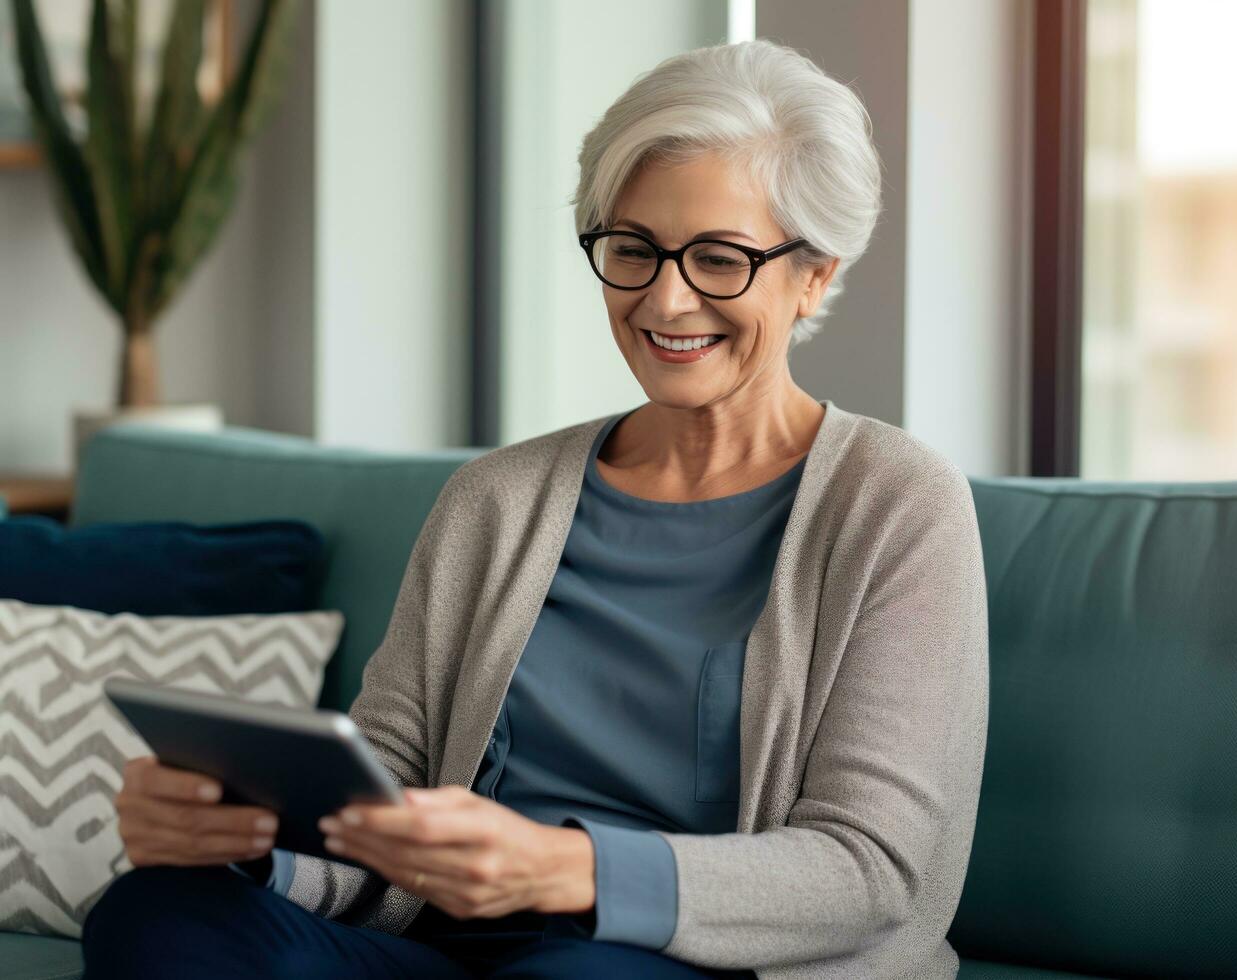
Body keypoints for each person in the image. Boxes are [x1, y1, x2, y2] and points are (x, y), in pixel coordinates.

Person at [82, 38, 988, 980]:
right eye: (633, 249)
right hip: (449, 951)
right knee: (156, 916)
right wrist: (248, 837)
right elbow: (385, 794)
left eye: (719, 258)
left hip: (680, 964)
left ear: (816, 274)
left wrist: (567, 869)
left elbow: (871, 872)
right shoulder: (497, 498)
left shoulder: (896, 504)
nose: (666, 299)